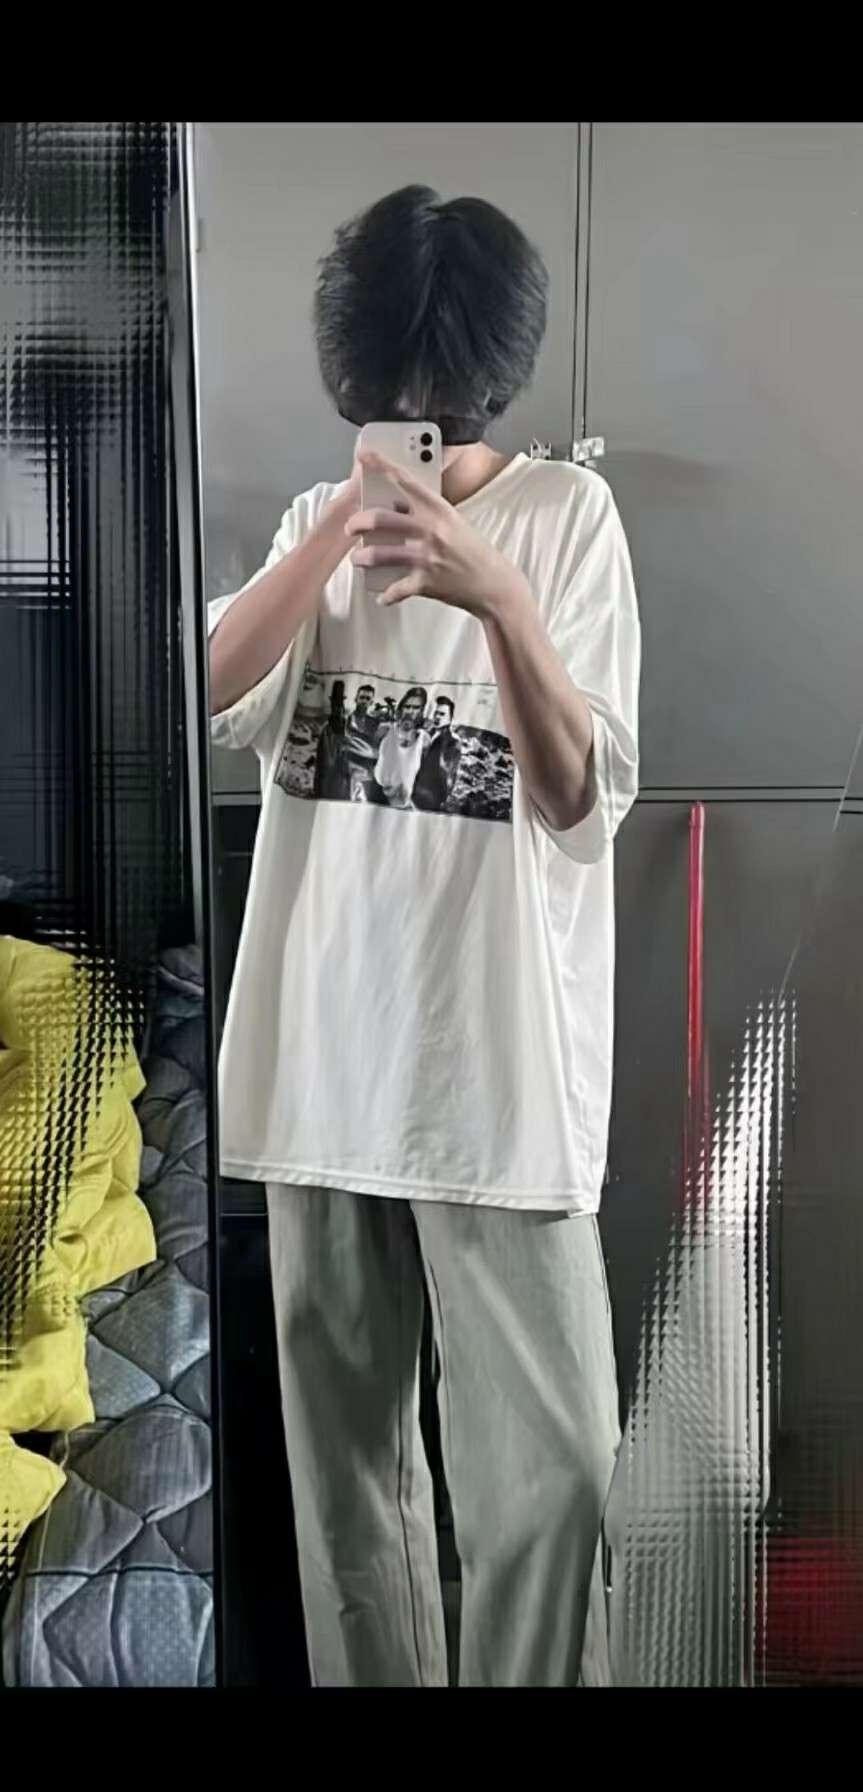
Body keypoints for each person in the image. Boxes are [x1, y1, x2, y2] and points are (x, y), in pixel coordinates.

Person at [207, 183, 641, 1689]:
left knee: (558, 1478)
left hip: (498, 1088)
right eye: (385, 409)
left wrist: (498, 598)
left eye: (433, 415)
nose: (414, 438)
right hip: (322, 1074)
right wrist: (334, 530)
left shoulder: (567, 522)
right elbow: (205, 690)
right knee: (349, 1501)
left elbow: (577, 799)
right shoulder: (309, 529)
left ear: (484, 387)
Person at [373, 685, 430, 808]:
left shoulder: (424, 739)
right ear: (401, 707)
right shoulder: (385, 730)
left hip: (404, 802)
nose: (410, 711)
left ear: (421, 711)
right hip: (378, 796)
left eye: (416, 708)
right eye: (407, 706)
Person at [412, 694, 462, 812]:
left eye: (442, 714)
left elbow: (448, 776)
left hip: (430, 799)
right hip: (411, 791)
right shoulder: (426, 734)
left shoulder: (453, 742)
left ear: (450, 718)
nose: (438, 717)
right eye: (436, 713)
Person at [344, 681, 386, 802]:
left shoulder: (376, 724)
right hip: (347, 771)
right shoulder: (346, 721)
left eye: (368, 698)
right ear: (356, 699)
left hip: (368, 773)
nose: (364, 701)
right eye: (361, 697)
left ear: (371, 702)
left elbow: (378, 748)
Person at [312, 678, 350, 801]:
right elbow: (321, 762)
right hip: (327, 783)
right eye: (336, 705)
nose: (338, 709)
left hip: (341, 783)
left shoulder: (347, 728)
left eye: (340, 705)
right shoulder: (326, 731)